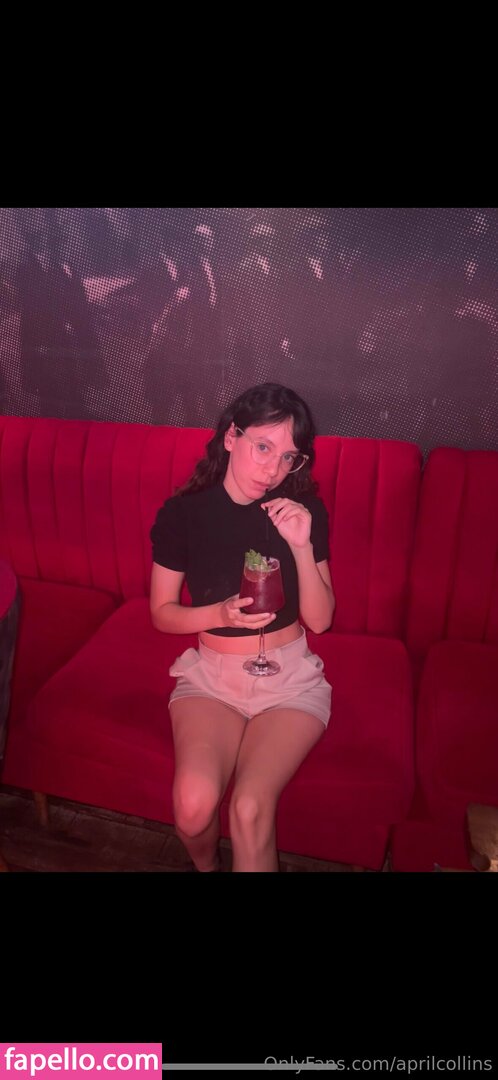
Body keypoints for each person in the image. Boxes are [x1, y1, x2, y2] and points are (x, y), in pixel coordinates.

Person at [150, 383, 335, 872]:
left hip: (289, 681)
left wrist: (301, 545)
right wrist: (220, 615)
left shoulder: (301, 511)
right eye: (263, 447)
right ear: (231, 437)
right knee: (192, 808)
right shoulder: (183, 514)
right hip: (212, 680)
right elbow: (161, 612)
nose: (273, 470)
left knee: (250, 808)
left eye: (288, 457)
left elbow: (321, 620)